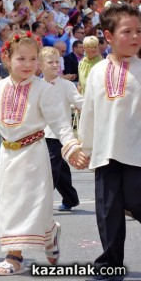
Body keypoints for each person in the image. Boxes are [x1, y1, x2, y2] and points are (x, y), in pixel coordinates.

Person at [0, 31, 86, 276]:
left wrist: (71, 147)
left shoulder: (43, 89)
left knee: (32, 205)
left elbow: (60, 124)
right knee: (9, 205)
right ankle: (38, 240)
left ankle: (16, 254)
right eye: (21, 59)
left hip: (34, 155)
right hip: (8, 157)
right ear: (7, 59)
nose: (28, 64)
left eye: (33, 59)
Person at [78, 4, 141, 281]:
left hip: (139, 152)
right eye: (127, 31)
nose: (135, 37)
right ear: (108, 36)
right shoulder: (97, 72)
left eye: (139, 31)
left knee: (139, 201)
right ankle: (110, 265)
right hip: (105, 152)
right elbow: (89, 113)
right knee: (107, 210)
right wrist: (84, 149)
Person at [39, 47, 82, 212]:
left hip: (59, 134)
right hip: (40, 133)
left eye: (57, 61)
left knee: (50, 168)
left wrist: (95, 106)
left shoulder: (66, 85)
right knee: (61, 169)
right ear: (41, 65)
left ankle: (42, 204)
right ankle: (71, 198)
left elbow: (79, 102)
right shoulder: (36, 84)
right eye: (50, 62)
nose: (55, 65)